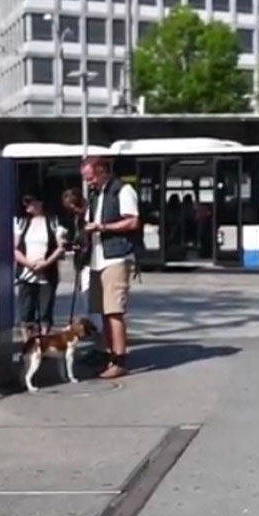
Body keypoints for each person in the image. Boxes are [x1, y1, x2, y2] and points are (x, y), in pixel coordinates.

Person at [80, 157, 141, 380]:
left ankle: (119, 360)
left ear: (103, 171)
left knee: (114, 310)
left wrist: (103, 227)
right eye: (87, 179)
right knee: (102, 311)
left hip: (115, 257)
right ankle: (109, 354)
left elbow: (133, 221)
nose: (90, 183)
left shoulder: (123, 191)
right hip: (97, 258)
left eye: (92, 177)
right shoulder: (96, 195)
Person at [13, 194, 67, 340]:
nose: (27, 205)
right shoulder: (22, 223)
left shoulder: (53, 222)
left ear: (40, 203)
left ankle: (44, 344)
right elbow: (15, 249)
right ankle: (28, 345)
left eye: (29, 201)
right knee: (26, 313)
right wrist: (28, 263)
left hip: (47, 274)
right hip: (26, 274)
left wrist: (46, 263)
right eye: (25, 202)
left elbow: (61, 247)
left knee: (45, 313)